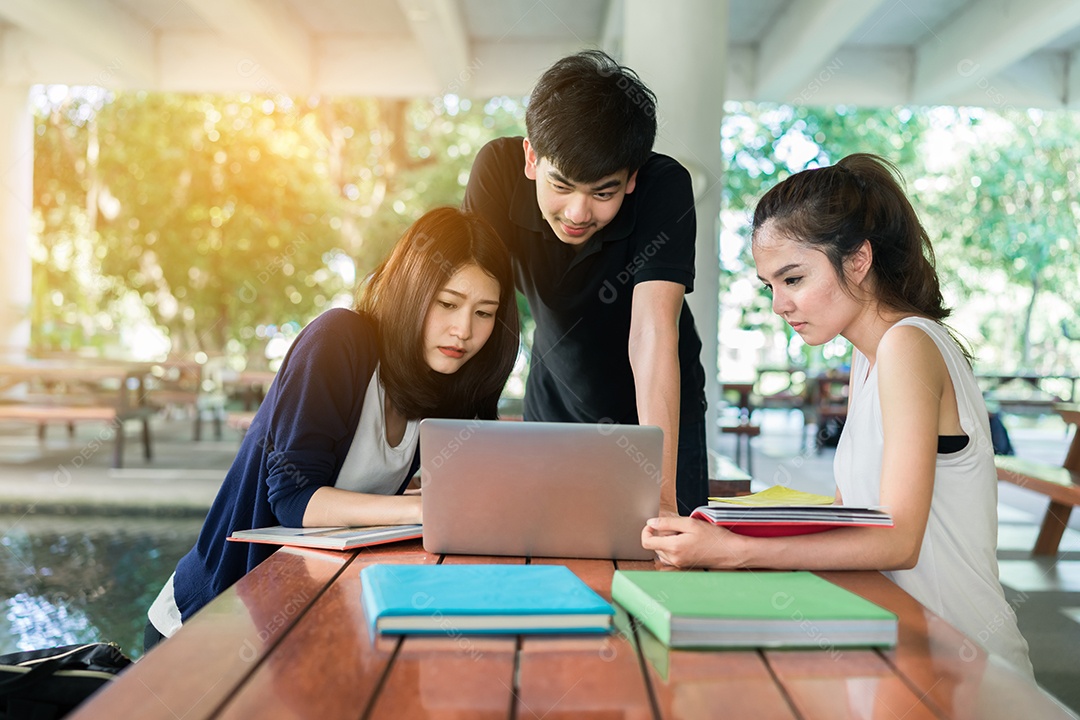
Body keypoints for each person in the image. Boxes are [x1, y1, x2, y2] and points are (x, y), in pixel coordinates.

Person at [642, 154, 1033, 677]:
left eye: (794, 278)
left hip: (963, 662)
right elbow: (851, 514)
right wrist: (739, 526)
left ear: (857, 260)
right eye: (770, 285)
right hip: (894, 641)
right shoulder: (867, 356)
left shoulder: (907, 346)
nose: (780, 304)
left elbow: (897, 540)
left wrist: (734, 550)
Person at [144, 207, 519, 650]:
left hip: (301, 615)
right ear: (412, 289)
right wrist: (428, 510)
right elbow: (292, 500)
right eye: (448, 304)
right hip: (211, 621)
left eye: (484, 313)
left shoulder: (447, 383)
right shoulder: (340, 340)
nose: (463, 331)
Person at [463, 50, 708, 517]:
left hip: (657, 418)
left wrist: (660, 497)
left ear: (631, 178)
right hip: (553, 404)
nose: (577, 213)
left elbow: (653, 332)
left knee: (668, 559)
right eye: (561, 185)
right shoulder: (497, 171)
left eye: (603, 192)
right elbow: (477, 312)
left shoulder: (664, 186)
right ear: (531, 159)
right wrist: (466, 452)